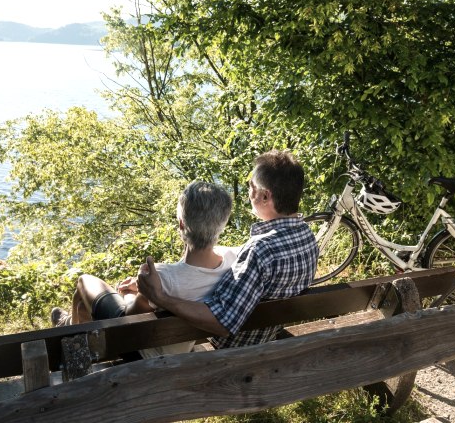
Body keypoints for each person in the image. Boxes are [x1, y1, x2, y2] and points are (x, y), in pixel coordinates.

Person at [137, 149, 319, 349]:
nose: (249, 191)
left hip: (234, 353)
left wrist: (159, 297)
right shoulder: (307, 237)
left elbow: (222, 322)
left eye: (251, 186)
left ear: (266, 196)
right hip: (267, 339)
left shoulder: (260, 251)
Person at [50, 180, 237, 358]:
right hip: (183, 344)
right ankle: (68, 325)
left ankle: (69, 335)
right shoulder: (232, 260)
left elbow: (129, 318)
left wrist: (132, 293)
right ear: (222, 225)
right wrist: (141, 291)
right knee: (82, 303)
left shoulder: (162, 277)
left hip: (145, 353)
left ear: (181, 224)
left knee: (84, 281)